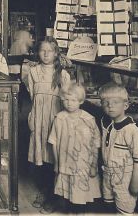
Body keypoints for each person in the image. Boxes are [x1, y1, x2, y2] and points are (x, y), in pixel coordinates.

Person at [27, 37, 71, 213]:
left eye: (50, 51)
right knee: (41, 156)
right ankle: (44, 191)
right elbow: (33, 95)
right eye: (42, 50)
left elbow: (67, 100)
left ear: (56, 53)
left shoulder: (63, 75)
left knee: (54, 157)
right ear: (38, 53)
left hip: (56, 120)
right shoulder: (33, 72)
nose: (45, 54)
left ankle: (54, 196)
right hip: (39, 120)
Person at [48, 83, 101, 214]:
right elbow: (53, 142)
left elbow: (95, 143)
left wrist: (94, 165)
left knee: (81, 195)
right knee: (68, 193)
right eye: (66, 99)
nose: (69, 103)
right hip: (65, 164)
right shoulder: (59, 118)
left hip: (83, 165)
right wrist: (56, 163)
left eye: (73, 100)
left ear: (81, 101)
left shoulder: (88, 119)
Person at [99, 82, 138, 215]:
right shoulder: (106, 123)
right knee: (108, 207)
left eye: (115, 102)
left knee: (124, 210)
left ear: (125, 105)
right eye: (105, 102)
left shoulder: (132, 131)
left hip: (125, 179)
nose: (110, 106)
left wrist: (135, 183)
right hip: (107, 174)